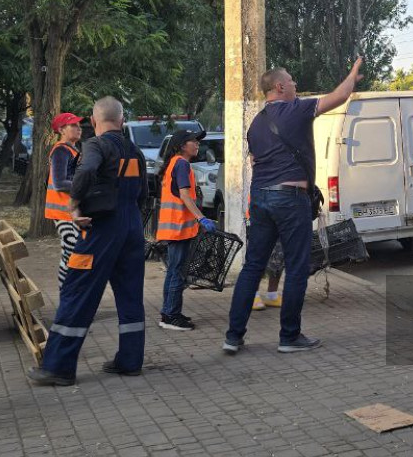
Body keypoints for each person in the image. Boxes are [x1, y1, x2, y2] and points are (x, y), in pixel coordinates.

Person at [224, 57, 362, 355]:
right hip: (289, 199)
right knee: (296, 266)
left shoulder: (256, 124)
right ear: (279, 86)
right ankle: (289, 336)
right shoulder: (295, 109)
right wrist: (352, 74)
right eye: (291, 80)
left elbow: (255, 161)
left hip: (260, 197)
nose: (296, 84)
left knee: (253, 267)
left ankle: (233, 336)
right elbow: (339, 96)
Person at [28, 97, 148, 386]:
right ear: (121, 120)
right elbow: (144, 194)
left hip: (101, 228)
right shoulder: (135, 151)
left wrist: (74, 205)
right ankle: (130, 361)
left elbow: (86, 171)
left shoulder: (96, 145)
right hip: (132, 229)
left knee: (77, 290)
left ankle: (58, 368)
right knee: (131, 296)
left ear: (94, 121)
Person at [156, 127, 215, 331]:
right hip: (179, 227)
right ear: (182, 146)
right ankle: (171, 316)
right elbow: (184, 195)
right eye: (194, 141)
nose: (197, 144)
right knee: (178, 273)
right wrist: (202, 218)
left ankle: (168, 312)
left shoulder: (175, 163)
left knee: (173, 271)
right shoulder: (181, 164)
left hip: (174, 227)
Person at [44, 112, 83, 290]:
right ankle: (67, 295)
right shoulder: (61, 150)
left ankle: (69, 294)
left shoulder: (71, 150)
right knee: (71, 254)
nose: (78, 128)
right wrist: (86, 185)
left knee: (72, 254)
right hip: (63, 212)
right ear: (61, 130)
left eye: (79, 125)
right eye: (73, 125)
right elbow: (60, 183)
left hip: (69, 211)